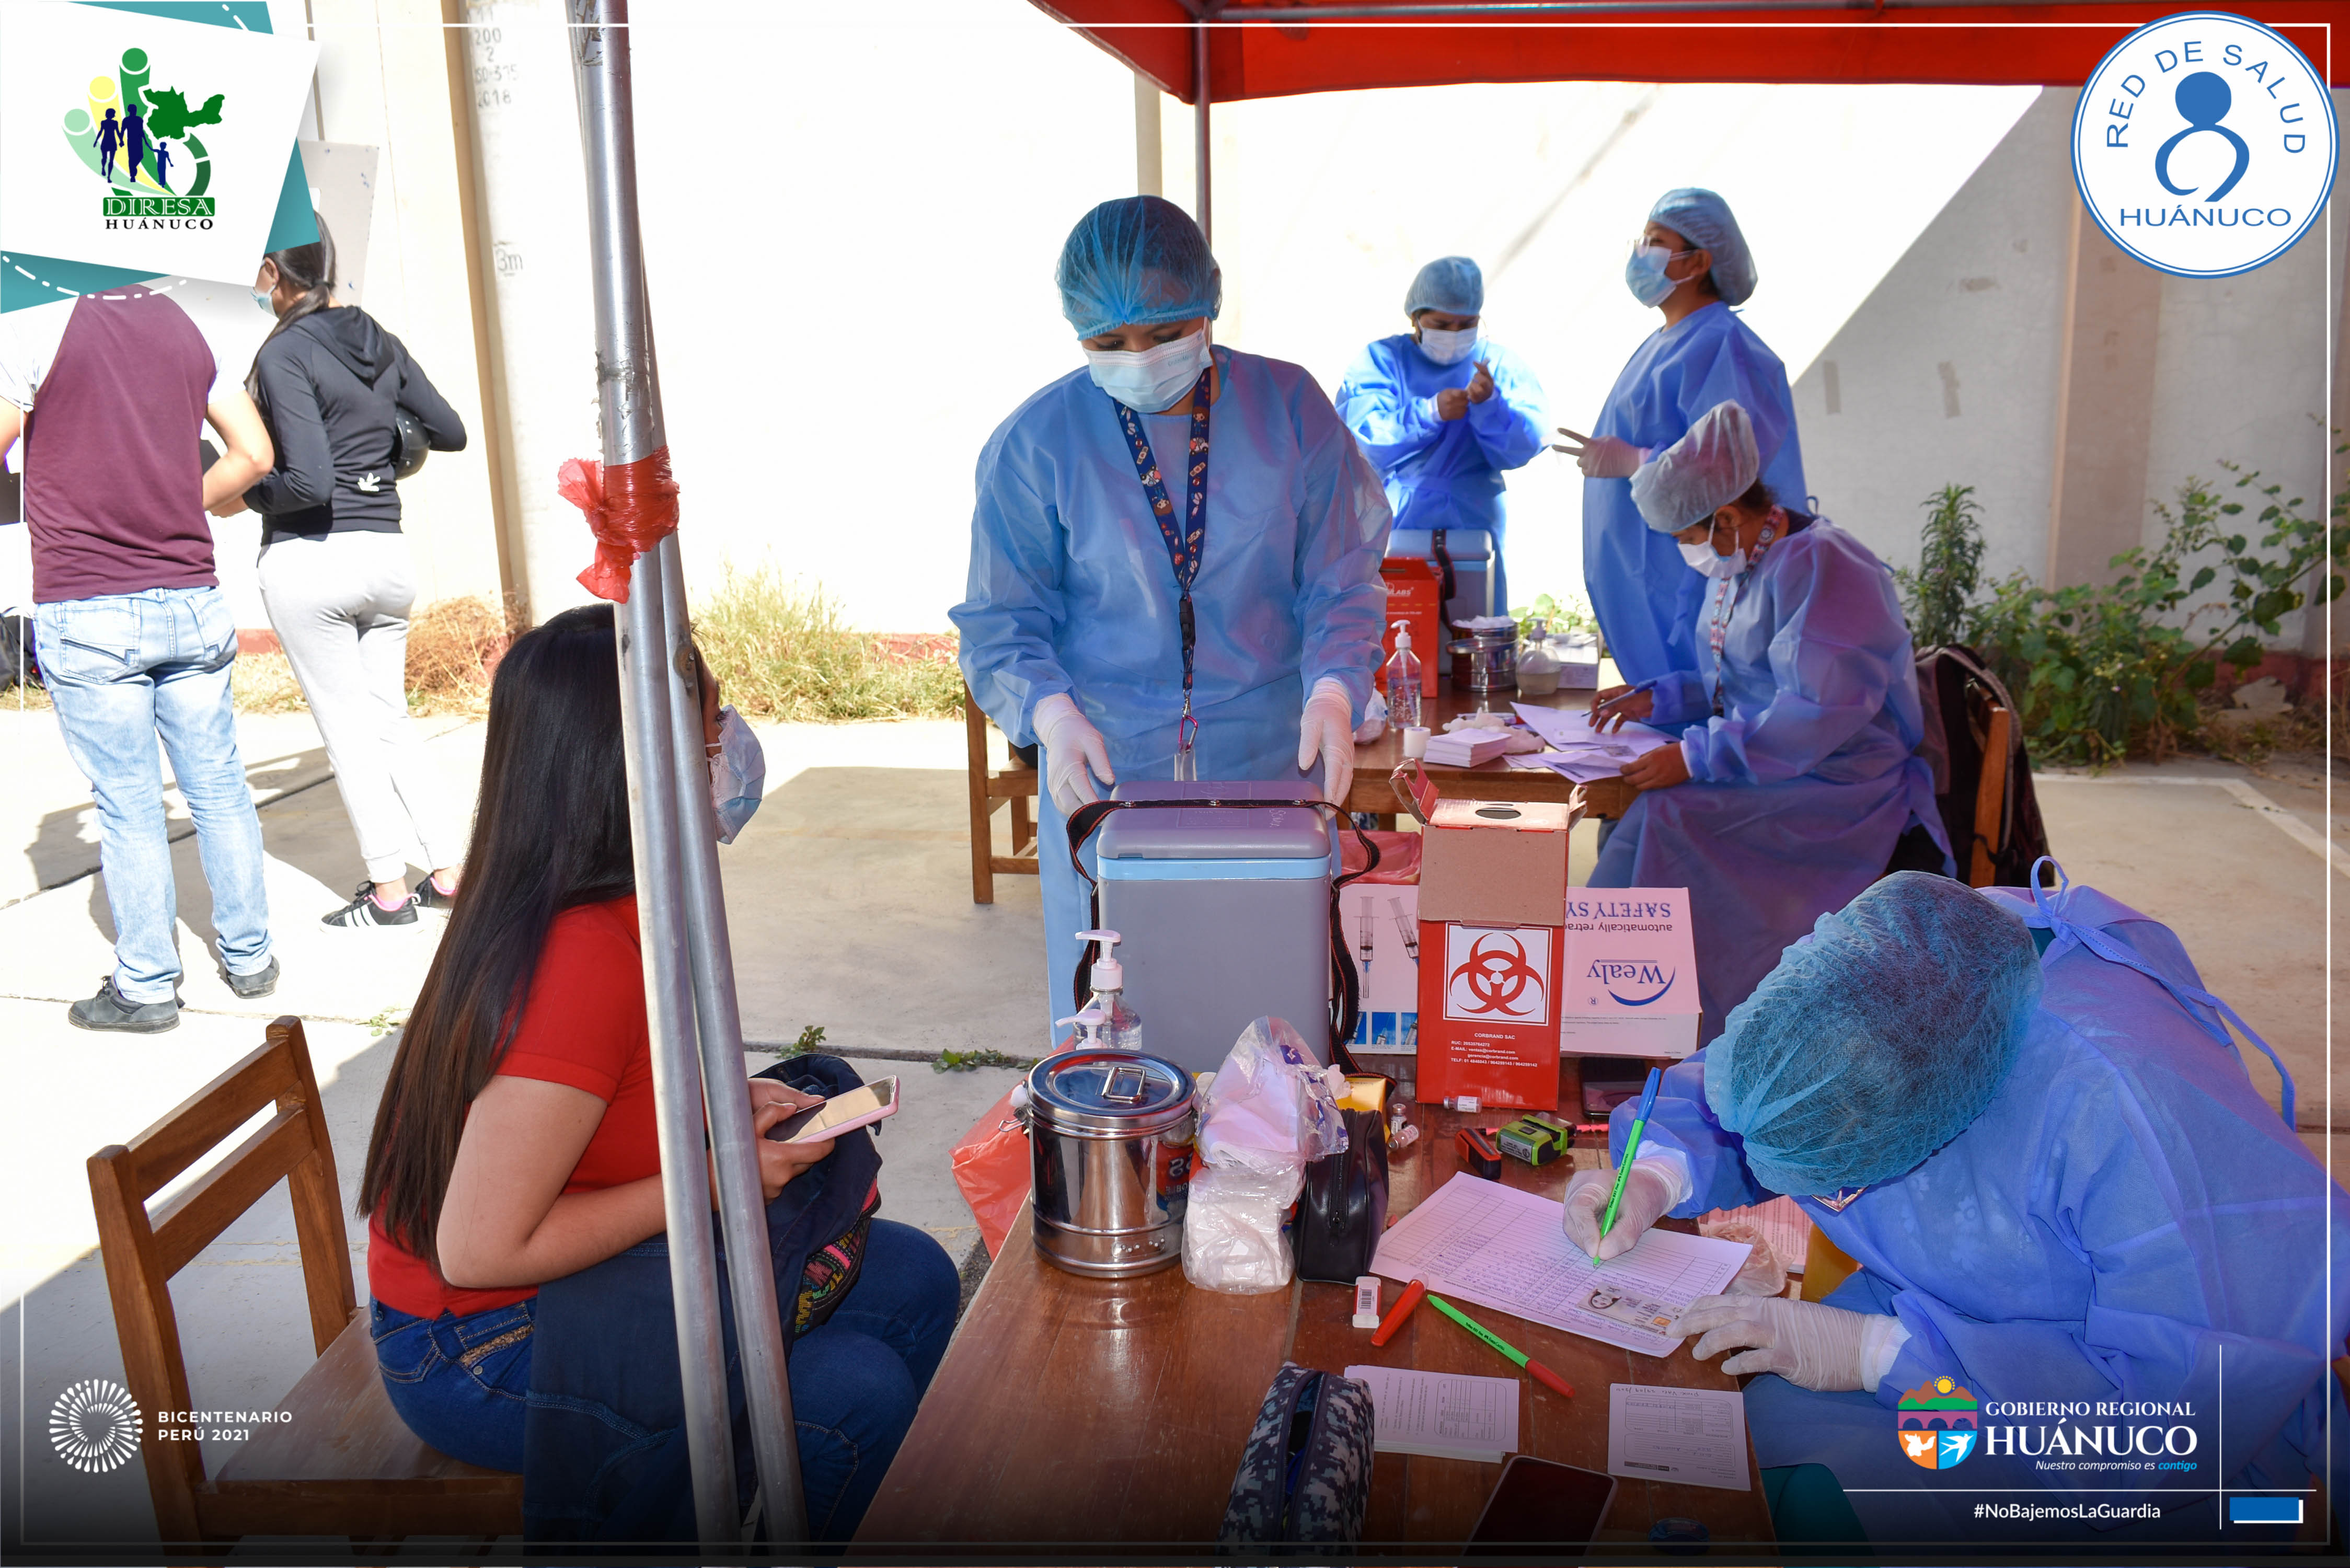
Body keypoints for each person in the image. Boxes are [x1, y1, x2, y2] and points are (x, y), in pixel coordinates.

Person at [359, 604, 955, 1539]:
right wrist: (717, 1179)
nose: (731, 753)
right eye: (712, 735)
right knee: (852, 1393)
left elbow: (604, 1100)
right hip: (481, 1345)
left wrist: (718, 1108)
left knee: (914, 1276)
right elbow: (478, 1252)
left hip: (565, 1284)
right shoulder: (580, 957)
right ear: (629, 765)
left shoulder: (613, 903)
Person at [1561, 870, 2348, 1546]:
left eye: (1840, 1182)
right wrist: (1658, 1172)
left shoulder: (2131, 1111)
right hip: (1937, 1313)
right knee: (1723, 1472)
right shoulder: (1906, 974)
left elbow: (2180, 1418)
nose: (1825, 1202)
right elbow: (1780, 1087)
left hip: (2127, 1432)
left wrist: (1884, 1357)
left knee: (1841, 1519)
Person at [952, 195, 1388, 1038]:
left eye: (1163, 332)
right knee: (1118, 1028)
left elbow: (1340, 573)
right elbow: (1003, 618)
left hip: (1269, 762)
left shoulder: (1289, 410)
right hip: (1107, 770)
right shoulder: (1038, 443)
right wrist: (1052, 714)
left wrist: (1335, 688)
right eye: (1109, 343)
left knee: (1273, 1019)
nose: (1140, 359)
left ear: (1208, 299)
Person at [1584, 401, 1944, 1036]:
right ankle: (1606, 1011)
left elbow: (1815, 710)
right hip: (1778, 761)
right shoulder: (1744, 561)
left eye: (1685, 538)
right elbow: (1741, 680)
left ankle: (1655, 1020)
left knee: (1666, 817)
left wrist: (1694, 757)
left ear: (1725, 517)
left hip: (1841, 782)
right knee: (1641, 815)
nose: (1686, 552)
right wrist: (1658, 699)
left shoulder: (1826, 566)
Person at [0, 285, 280, 1030]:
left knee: (128, 804)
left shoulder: (32, 329)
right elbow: (255, 455)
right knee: (219, 786)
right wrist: (178, 504)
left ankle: (148, 985)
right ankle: (251, 958)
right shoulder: (188, 326)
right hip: (191, 598)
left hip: (89, 603)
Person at [213, 217, 471, 928]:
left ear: (273, 271)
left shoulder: (284, 352)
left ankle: (387, 892)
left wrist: (243, 494)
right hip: (386, 555)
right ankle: (449, 874)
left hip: (313, 557)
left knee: (347, 731)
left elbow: (307, 482)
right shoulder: (376, 338)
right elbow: (449, 431)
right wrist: (381, 455)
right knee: (391, 721)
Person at [1558, 189, 1805, 687]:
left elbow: (1732, 468)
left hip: (1685, 573)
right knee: (1665, 703)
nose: (1641, 253)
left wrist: (1636, 462)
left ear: (1698, 261)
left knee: (1706, 696)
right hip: (1646, 565)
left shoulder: (1722, 344)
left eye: (1656, 242)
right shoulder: (1665, 341)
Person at [1335, 256, 1544, 616]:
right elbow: (1361, 438)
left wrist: (1490, 405)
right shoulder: (1384, 360)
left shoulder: (1498, 364)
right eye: (1442, 324)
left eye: (1467, 324)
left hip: (1475, 516)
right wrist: (1428, 413)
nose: (1454, 333)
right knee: (1401, 624)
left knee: (1473, 625)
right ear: (1415, 319)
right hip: (1398, 517)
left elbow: (1527, 441)